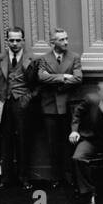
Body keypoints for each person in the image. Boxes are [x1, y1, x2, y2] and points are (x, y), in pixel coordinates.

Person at [0, 26, 34, 189]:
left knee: (23, 141)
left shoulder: (32, 60)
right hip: (3, 104)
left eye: (18, 40)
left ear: (23, 40)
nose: (14, 43)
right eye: (11, 40)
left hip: (22, 105)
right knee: (5, 143)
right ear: (7, 41)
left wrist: (27, 99)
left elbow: (37, 86)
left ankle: (24, 179)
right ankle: (5, 179)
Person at [35, 27, 81, 187]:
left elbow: (78, 79)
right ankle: (56, 177)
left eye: (66, 38)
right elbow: (41, 77)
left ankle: (70, 177)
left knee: (68, 144)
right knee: (52, 144)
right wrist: (63, 77)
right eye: (61, 39)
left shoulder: (74, 57)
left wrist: (52, 79)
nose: (66, 42)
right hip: (50, 108)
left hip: (67, 106)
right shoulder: (43, 59)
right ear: (52, 42)